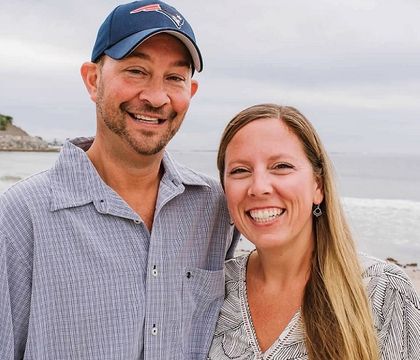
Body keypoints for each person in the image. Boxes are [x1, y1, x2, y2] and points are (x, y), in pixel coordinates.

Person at [0, 1, 237, 359]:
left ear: (191, 92)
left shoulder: (216, 208)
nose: (156, 97)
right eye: (136, 71)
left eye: (175, 78)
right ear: (93, 80)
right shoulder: (20, 217)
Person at [208, 104, 420, 360]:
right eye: (240, 171)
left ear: (317, 186)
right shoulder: (216, 288)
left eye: (281, 166)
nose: (259, 187)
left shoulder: (382, 290)